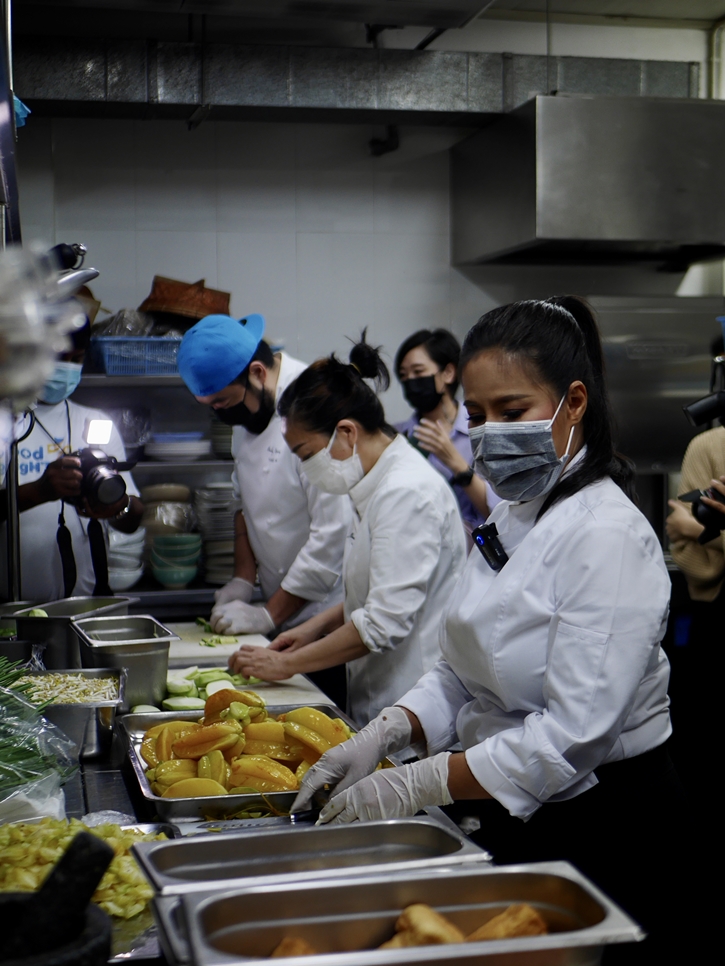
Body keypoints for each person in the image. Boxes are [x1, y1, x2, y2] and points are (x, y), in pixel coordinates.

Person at [294, 298, 688, 962]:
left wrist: (421, 781)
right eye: (477, 415)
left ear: (574, 402)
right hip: (511, 801)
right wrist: (390, 731)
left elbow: (569, 740)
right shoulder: (514, 514)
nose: (489, 431)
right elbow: (457, 668)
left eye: (512, 412)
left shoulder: (608, 535)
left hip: (606, 823)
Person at [230, 335, 467, 726]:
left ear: (346, 432)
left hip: (414, 705)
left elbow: (383, 623)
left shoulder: (406, 492)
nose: (306, 468)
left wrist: (285, 663)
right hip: (381, 698)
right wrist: (313, 628)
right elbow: (378, 587)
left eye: (306, 455)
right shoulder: (375, 482)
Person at [177, 313, 351, 637]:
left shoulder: (315, 407)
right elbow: (244, 501)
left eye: (223, 401)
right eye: (209, 405)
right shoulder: (251, 406)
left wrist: (268, 616)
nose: (220, 412)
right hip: (284, 608)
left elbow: (334, 534)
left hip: (330, 613)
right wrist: (243, 577)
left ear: (257, 373)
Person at [0, 317, 144, 600]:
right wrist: (40, 491)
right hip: (9, 609)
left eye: (76, 360)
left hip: (86, 607)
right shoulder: (5, 425)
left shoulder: (94, 421)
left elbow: (132, 518)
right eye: (57, 358)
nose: (66, 369)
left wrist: (119, 505)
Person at [395, 328, 500, 530]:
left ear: (448, 373)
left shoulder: (481, 428)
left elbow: (497, 511)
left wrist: (456, 464)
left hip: (473, 549)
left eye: (418, 372)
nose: (410, 381)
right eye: (403, 375)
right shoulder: (399, 437)